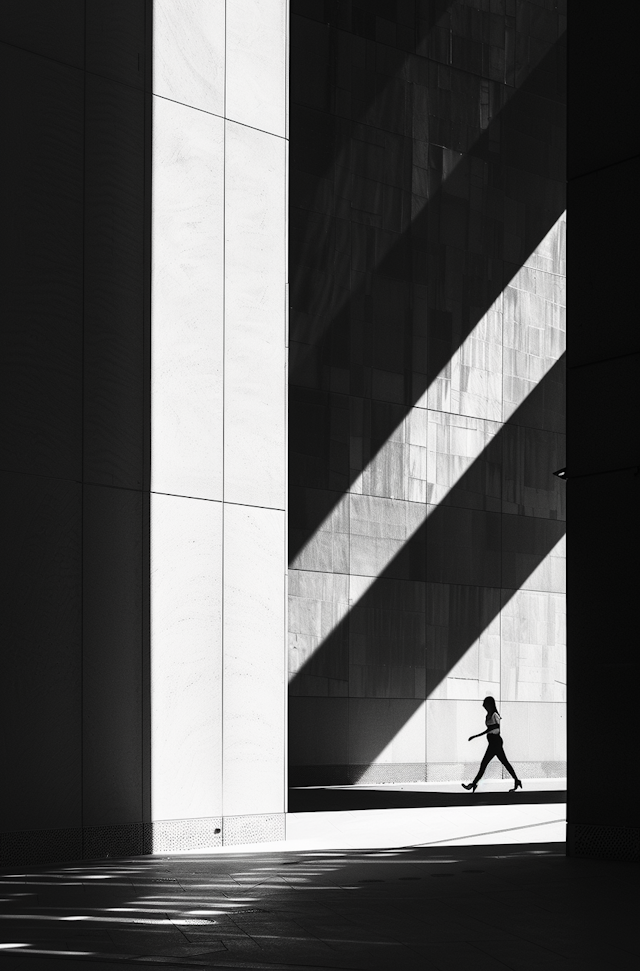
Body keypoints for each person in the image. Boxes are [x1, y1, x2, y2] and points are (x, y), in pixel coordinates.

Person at [462, 697, 522, 792]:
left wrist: (476, 736)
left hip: (496, 742)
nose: (483, 705)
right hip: (492, 742)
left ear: (490, 704)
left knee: (485, 763)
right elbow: (489, 729)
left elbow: (496, 728)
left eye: (485, 703)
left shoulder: (495, 715)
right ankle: (517, 780)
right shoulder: (488, 715)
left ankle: (473, 784)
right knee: (503, 762)